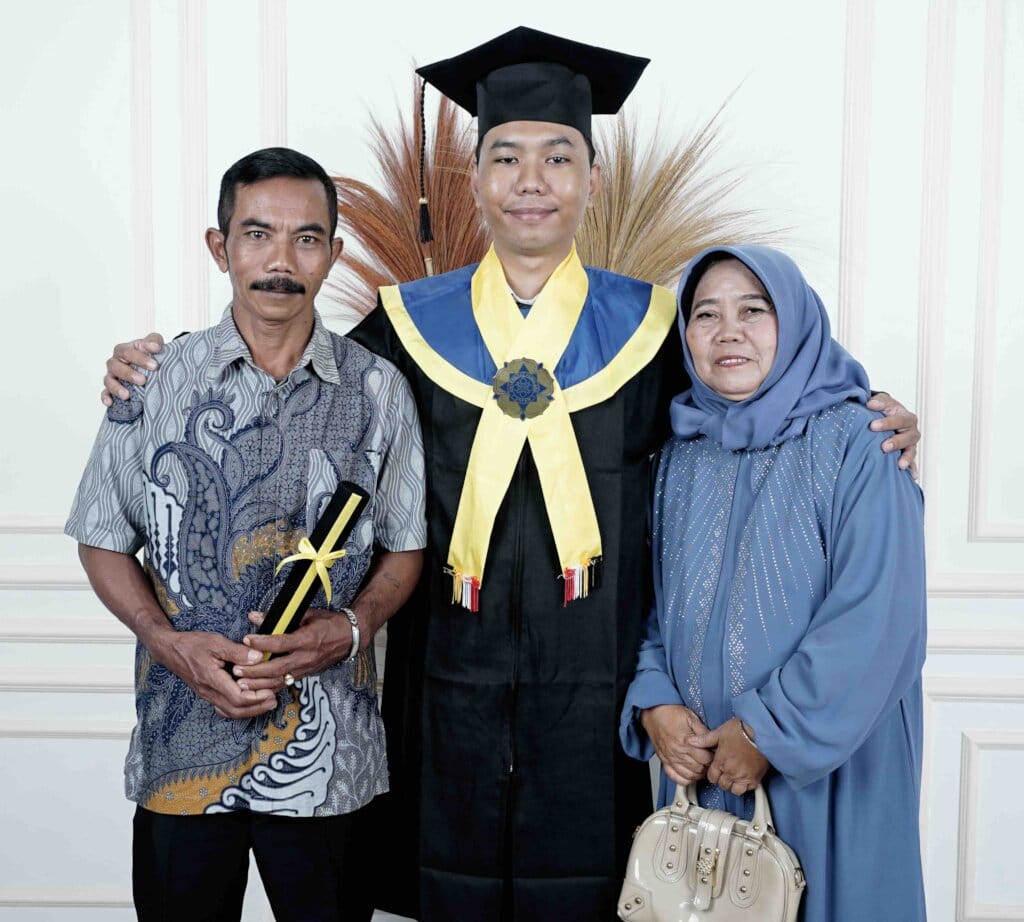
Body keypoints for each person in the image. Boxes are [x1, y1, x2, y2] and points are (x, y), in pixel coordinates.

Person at [98, 28, 921, 922]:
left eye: (559, 157)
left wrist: (863, 405)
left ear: (592, 180)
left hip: (601, 705)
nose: (532, 181)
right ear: (476, 180)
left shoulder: (652, 332)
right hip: (441, 694)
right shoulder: (405, 329)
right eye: (507, 157)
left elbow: (754, 388)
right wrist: (162, 358)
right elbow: (290, 367)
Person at [67, 147, 426, 922]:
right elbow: (101, 535)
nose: (280, 261)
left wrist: (354, 628)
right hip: (179, 744)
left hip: (333, 756)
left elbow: (405, 547)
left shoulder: (379, 389)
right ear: (219, 245)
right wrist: (166, 642)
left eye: (306, 238)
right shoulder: (152, 382)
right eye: (257, 234)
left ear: (334, 252)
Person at [620, 245, 927, 921]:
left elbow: (877, 620)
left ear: (796, 322)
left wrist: (763, 734)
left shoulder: (860, 441)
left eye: (753, 310)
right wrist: (656, 702)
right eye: (706, 315)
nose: (729, 331)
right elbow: (652, 606)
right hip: (707, 774)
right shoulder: (680, 457)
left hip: (831, 771)